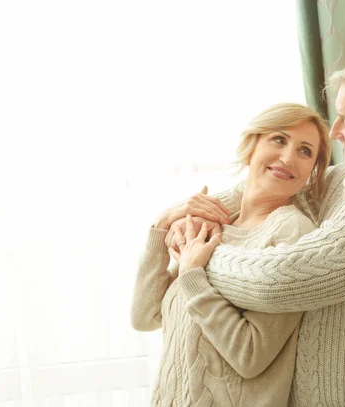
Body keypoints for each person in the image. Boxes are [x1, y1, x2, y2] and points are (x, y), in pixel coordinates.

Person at [169, 52, 345, 406]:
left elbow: (278, 281)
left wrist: (198, 257)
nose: (334, 132)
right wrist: (189, 216)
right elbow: (271, 190)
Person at [130, 103, 331, 406]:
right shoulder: (214, 228)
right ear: (252, 144)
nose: (288, 157)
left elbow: (250, 355)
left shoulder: (291, 231)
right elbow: (146, 317)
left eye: (305, 151)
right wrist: (161, 226)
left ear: (313, 170)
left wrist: (193, 277)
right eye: (279, 139)